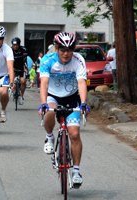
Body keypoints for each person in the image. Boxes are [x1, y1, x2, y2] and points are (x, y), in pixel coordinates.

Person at [38, 32, 90, 188]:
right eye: (62, 49)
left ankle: (76, 171)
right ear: (56, 48)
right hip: (53, 96)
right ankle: (49, 137)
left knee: (74, 134)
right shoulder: (48, 60)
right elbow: (44, 83)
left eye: (70, 49)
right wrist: (43, 103)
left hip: (71, 97)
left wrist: (83, 103)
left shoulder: (78, 60)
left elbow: (81, 83)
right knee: (48, 112)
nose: (66, 53)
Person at [11, 37, 28, 105]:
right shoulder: (10, 50)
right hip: (13, 67)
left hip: (21, 66)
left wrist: (26, 69)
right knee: (13, 79)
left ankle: (21, 96)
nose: (15, 46)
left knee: (23, 81)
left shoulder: (23, 49)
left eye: (17, 45)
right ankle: (13, 87)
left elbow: (25, 61)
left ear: (19, 44)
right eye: (14, 45)